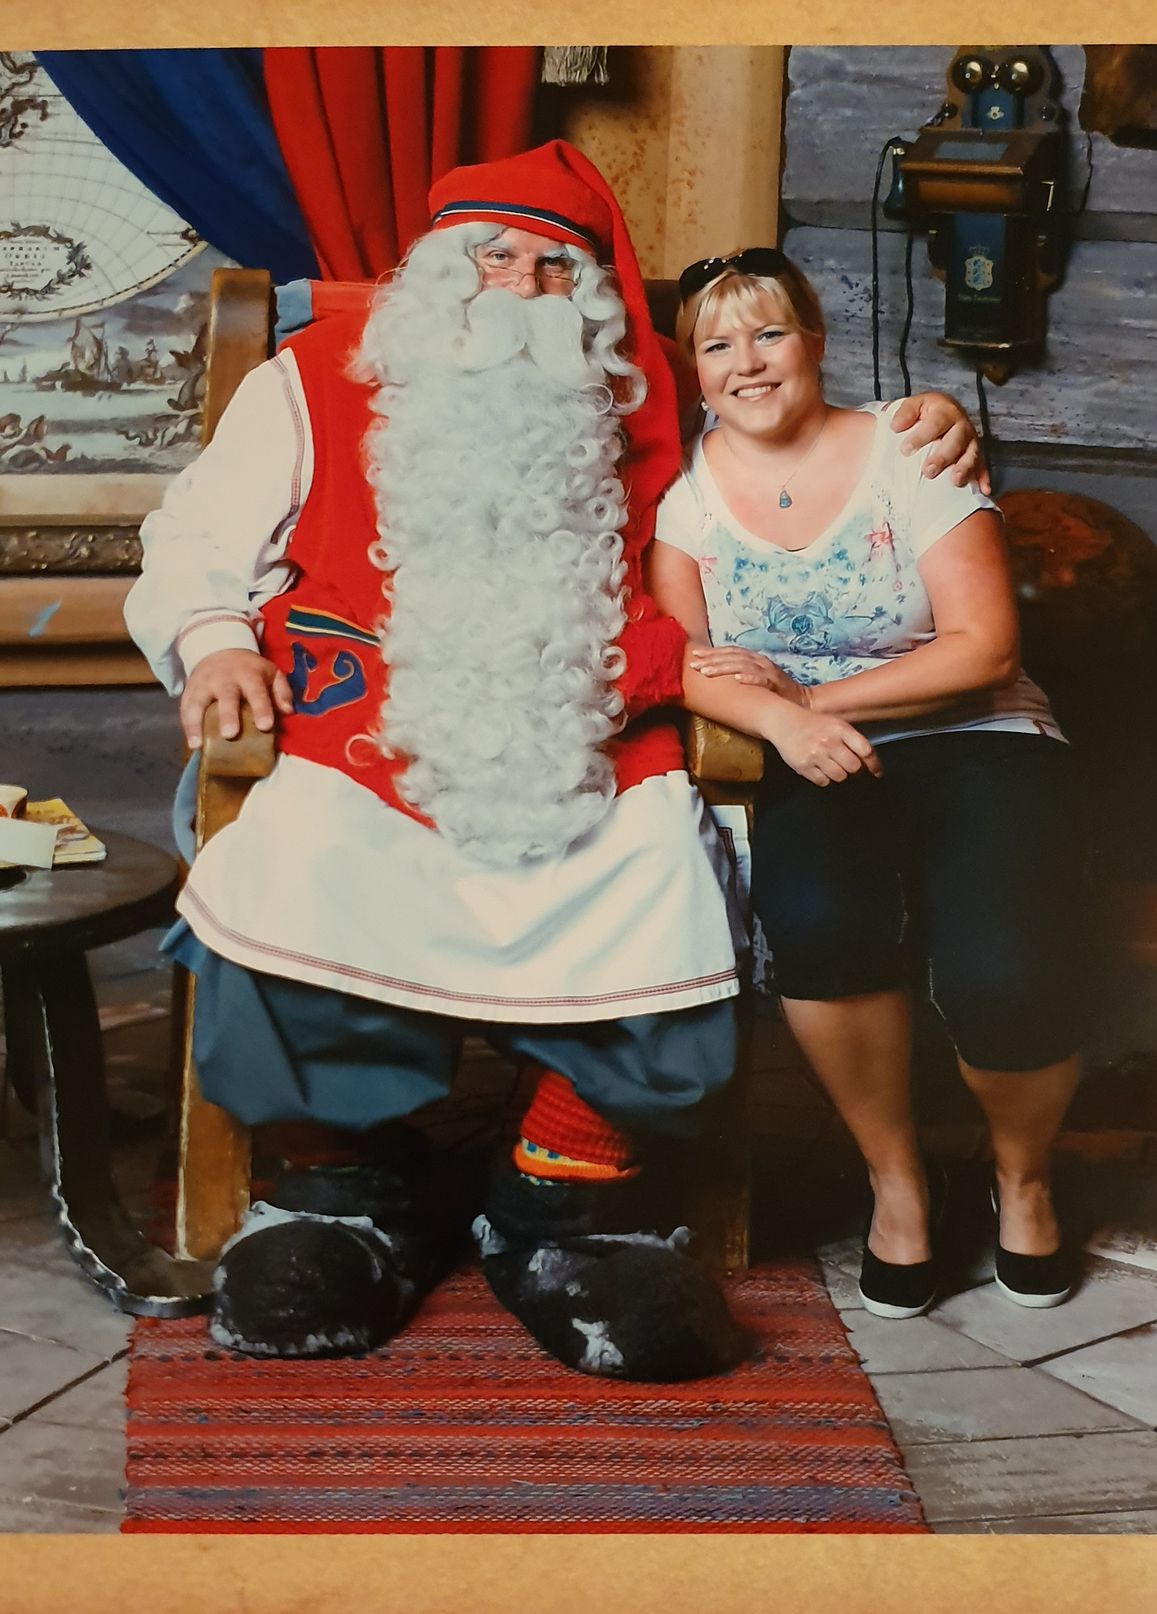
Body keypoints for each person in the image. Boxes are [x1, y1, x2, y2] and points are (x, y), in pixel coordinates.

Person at [127, 144, 981, 1376]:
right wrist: (213, 639)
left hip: (591, 732)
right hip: (362, 732)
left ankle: (563, 1194)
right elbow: (195, 536)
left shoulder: (646, 396)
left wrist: (924, 422)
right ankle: (342, 1191)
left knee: (658, 873)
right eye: (493, 256)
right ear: (435, 269)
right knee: (297, 860)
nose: (521, 287)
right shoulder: (310, 376)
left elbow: (792, 440)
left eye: (553, 267)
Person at [647, 248, 1084, 1321]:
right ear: (693, 370)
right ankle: (898, 1181)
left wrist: (809, 700)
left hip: (981, 734)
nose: (748, 362)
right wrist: (785, 726)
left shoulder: (911, 447)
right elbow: (683, 661)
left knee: (1005, 970)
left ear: (815, 342)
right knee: (821, 926)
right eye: (717, 344)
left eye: (769, 333)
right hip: (812, 755)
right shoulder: (683, 502)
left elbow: (983, 647)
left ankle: (1023, 1175)